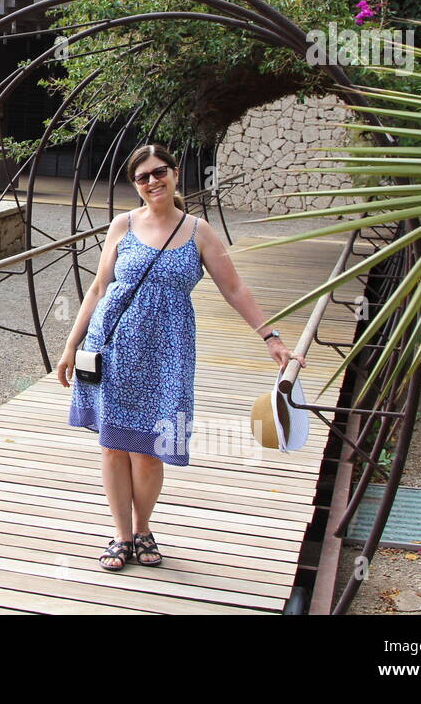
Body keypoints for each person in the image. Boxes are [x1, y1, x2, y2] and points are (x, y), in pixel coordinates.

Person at [56, 143, 304, 571]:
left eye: (159, 172)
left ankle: (143, 527)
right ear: (135, 185)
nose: (153, 181)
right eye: (143, 177)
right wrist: (70, 346)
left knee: (152, 447)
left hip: (167, 353)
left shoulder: (198, 231)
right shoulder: (122, 225)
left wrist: (271, 336)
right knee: (113, 447)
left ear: (174, 174)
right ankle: (121, 535)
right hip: (112, 348)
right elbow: (98, 289)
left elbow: (234, 289)